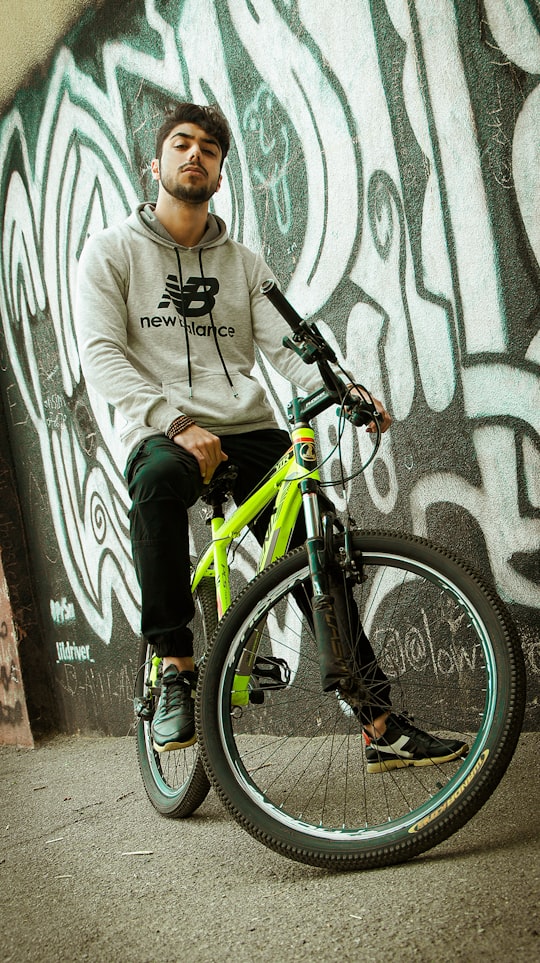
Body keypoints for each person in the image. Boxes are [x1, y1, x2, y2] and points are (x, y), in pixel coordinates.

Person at [75, 102, 467, 771]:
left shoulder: (243, 262)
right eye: (181, 143)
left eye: (209, 149)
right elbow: (102, 356)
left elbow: (288, 347)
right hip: (161, 427)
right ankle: (174, 665)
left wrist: (346, 392)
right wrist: (177, 422)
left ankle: (377, 721)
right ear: (156, 162)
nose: (194, 155)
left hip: (248, 426)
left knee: (318, 542)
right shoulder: (111, 251)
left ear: (221, 173)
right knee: (159, 480)